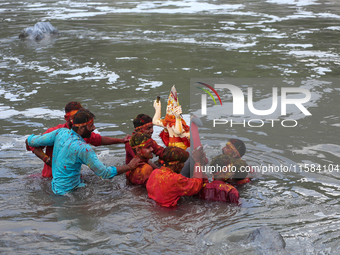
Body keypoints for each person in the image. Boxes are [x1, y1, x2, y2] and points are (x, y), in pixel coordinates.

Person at [26, 109, 142, 195]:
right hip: (69, 194)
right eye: (91, 125)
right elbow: (104, 173)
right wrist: (129, 166)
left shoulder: (60, 133)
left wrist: (28, 140)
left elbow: (33, 141)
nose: (94, 128)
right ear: (82, 129)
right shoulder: (83, 148)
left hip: (56, 188)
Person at [27, 102, 129, 178]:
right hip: (50, 177)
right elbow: (32, 145)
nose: (74, 120)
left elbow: (98, 139)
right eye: (72, 117)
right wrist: (48, 160)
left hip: (68, 179)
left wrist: (120, 140)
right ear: (66, 118)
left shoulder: (83, 132)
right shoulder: (56, 132)